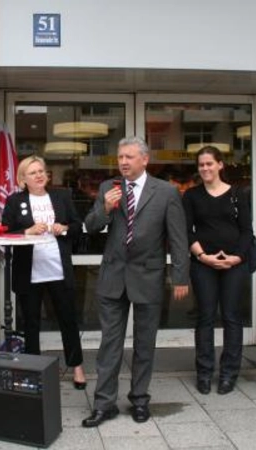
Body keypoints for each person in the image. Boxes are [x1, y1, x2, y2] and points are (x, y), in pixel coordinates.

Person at [82, 137, 189, 427]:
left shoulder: (166, 192)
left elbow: (178, 239)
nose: (124, 162)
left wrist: (180, 275)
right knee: (109, 345)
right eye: (120, 157)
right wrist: (105, 207)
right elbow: (90, 226)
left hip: (148, 277)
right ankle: (104, 404)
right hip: (113, 277)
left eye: (130, 157)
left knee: (145, 343)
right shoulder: (108, 188)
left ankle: (139, 399)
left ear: (145, 160)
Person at [1, 156, 87, 389]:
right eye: (33, 172)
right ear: (23, 179)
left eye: (42, 171)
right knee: (31, 323)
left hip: (58, 270)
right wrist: (27, 231)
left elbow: (79, 227)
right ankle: (32, 371)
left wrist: (65, 228)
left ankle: (77, 366)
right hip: (29, 273)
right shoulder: (14, 200)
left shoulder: (61, 197)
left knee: (67, 320)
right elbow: (6, 232)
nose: (39, 175)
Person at [182, 146, 252, 395]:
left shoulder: (237, 194)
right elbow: (186, 231)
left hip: (234, 264)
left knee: (232, 317)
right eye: (201, 165)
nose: (205, 169)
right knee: (205, 317)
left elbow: (246, 231)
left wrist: (236, 258)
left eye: (209, 164)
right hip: (204, 264)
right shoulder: (191, 196)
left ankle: (229, 373)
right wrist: (202, 256)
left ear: (220, 165)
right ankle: (204, 372)